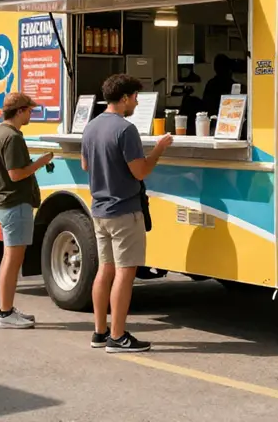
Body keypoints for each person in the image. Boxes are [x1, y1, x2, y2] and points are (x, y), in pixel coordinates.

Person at [81, 74, 173, 353]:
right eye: (135, 97)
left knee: (105, 270)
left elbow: (86, 165)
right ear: (124, 99)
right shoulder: (126, 129)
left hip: (99, 209)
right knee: (125, 273)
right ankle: (118, 336)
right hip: (124, 210)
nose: (136, 102)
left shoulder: (91, 126)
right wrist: (159, 148)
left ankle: (100, 331)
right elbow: (141, 171)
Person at [0, 93, 53, 329]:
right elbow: (16, 174)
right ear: (20, 111)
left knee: (8, 258)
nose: (31, 114)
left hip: (4, 202)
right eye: (29, 111)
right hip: (15, 203)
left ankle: (7, 309)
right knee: (13, 260)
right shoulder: (12, 137)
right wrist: (40, 162)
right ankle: (5, 313)